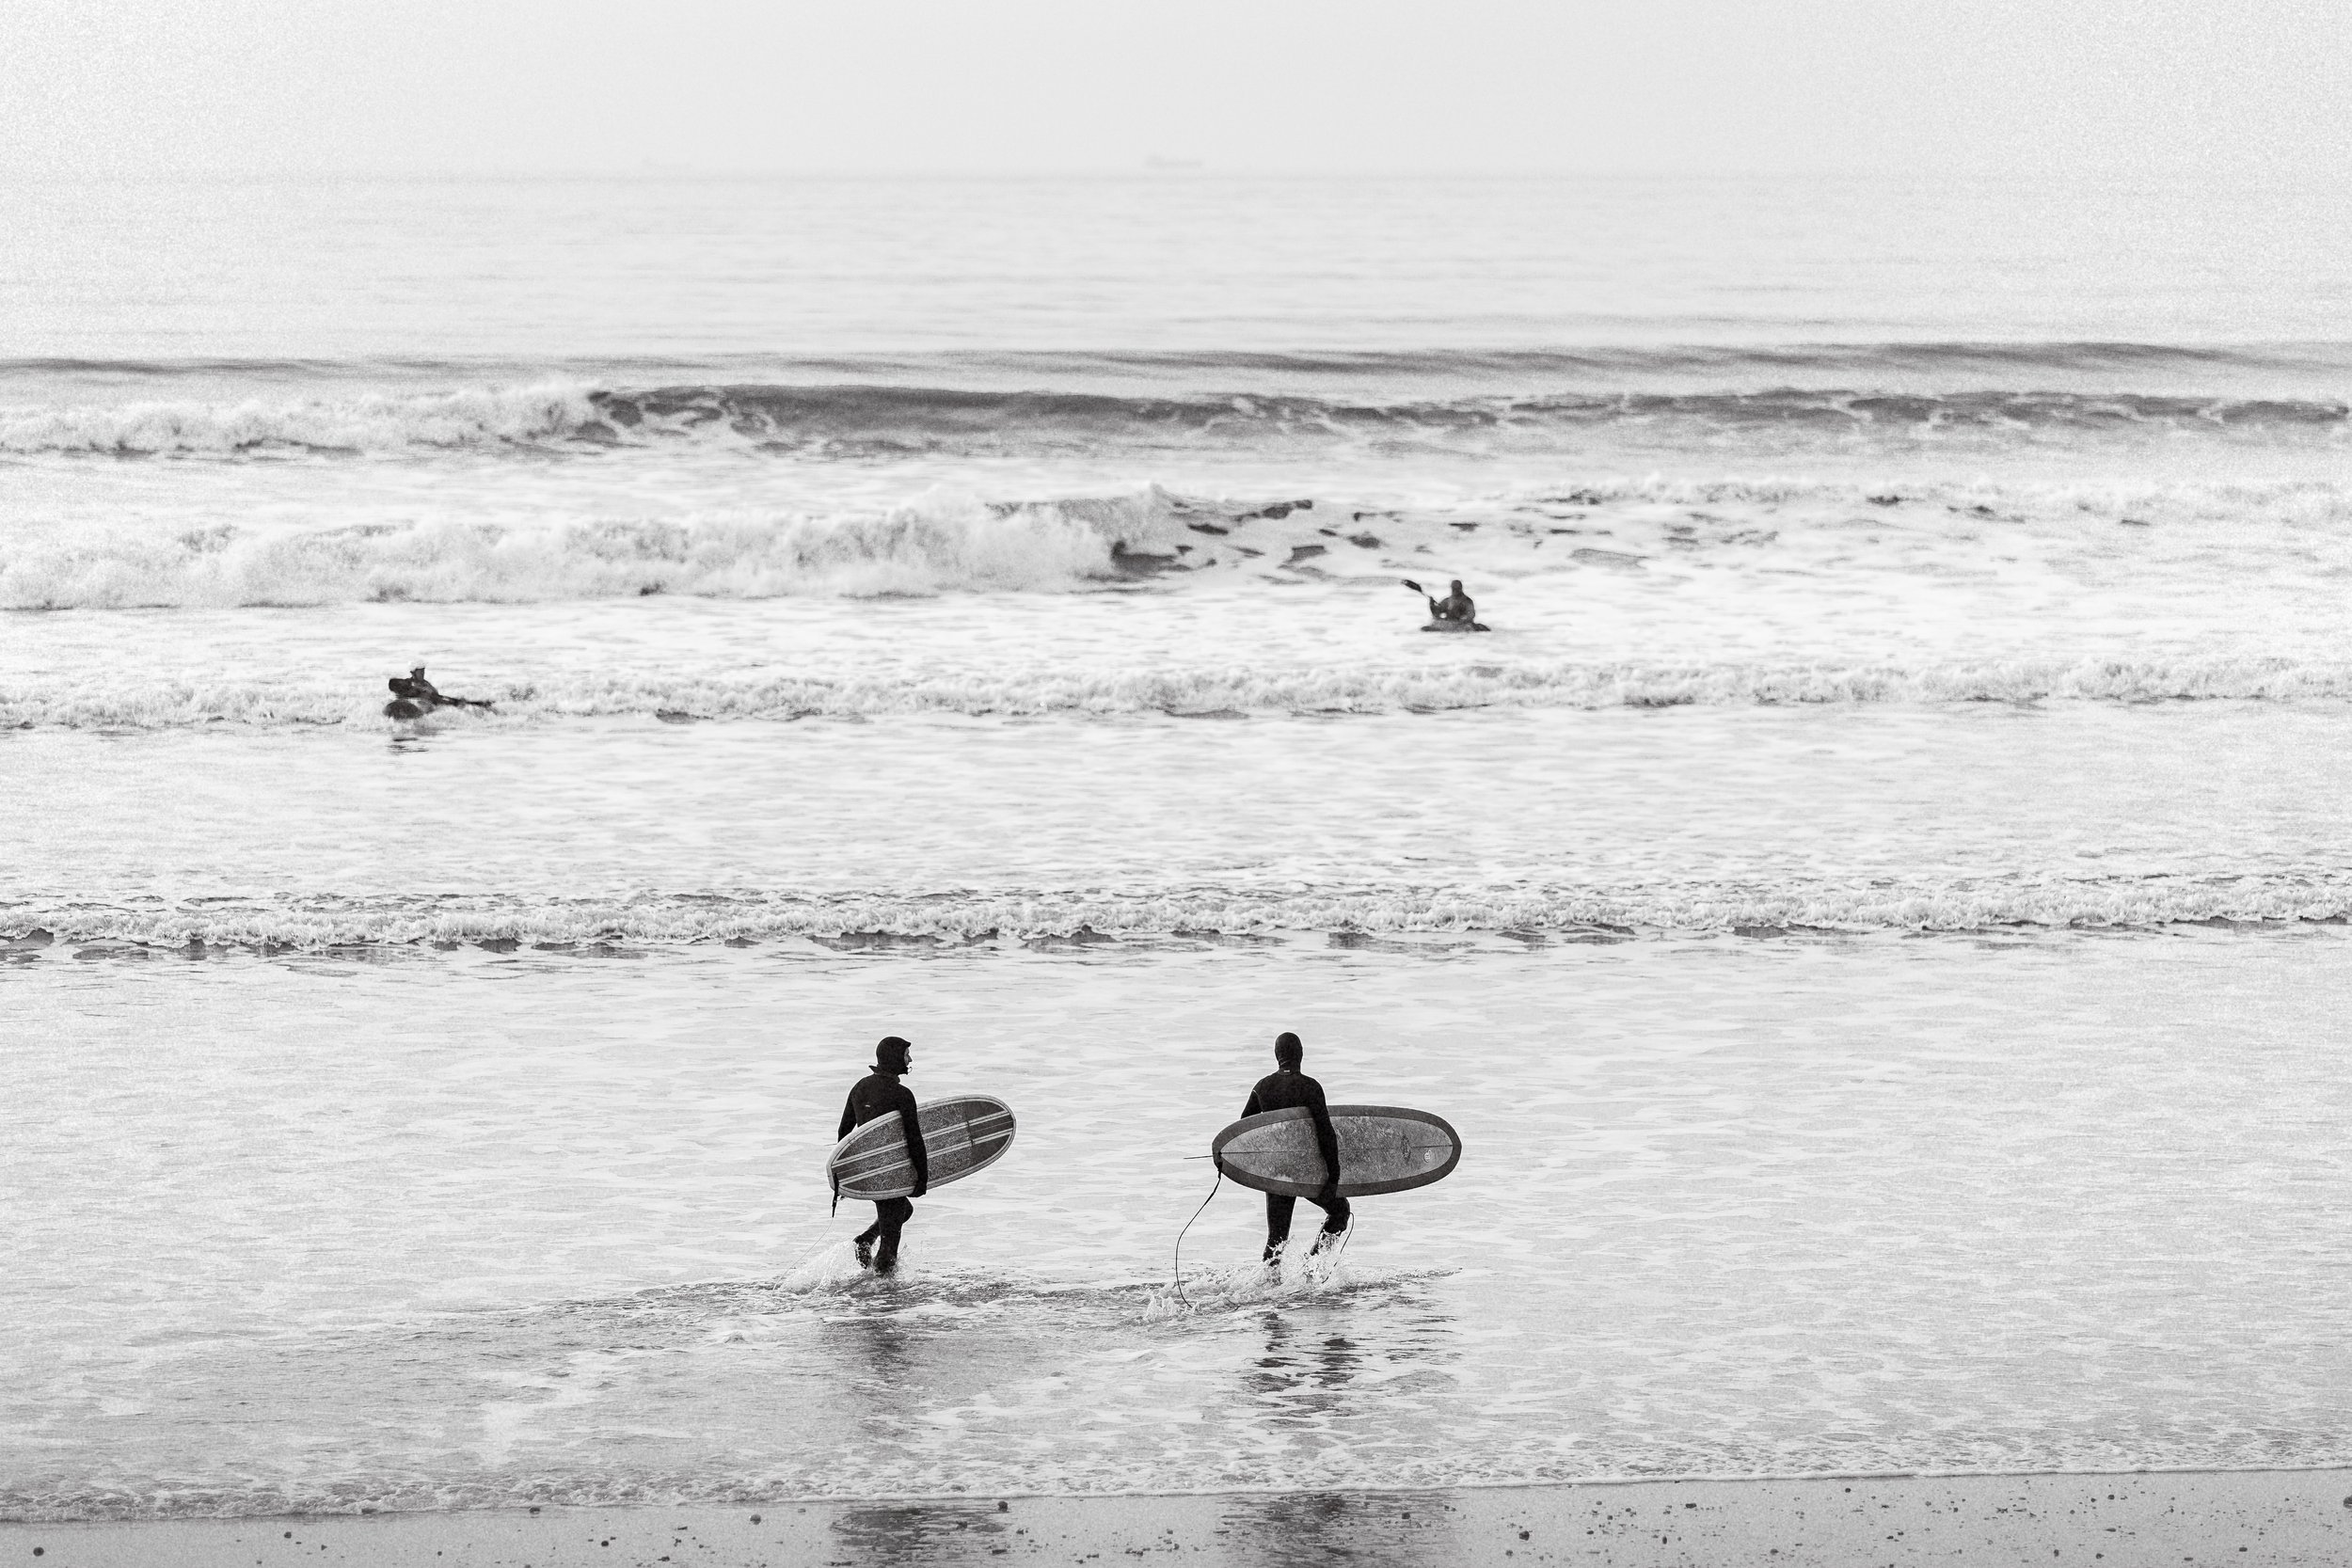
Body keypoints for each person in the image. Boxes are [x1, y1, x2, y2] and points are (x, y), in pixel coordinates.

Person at [1234, 1031, 1350, 1263]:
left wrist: (1260, 1170)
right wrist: (1333, 1177)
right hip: (1309, 1171)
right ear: (1301, 1054)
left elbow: (1244, 1130)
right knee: (1339, 1211)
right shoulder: (1311, 1087)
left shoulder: (1263, 1087)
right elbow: (1326, 1134)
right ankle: (1312, 1265)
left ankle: (1268, 1287)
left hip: (1279, 1173)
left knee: (1277, 1239)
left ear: (1277, 1056)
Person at [837, 1036, 929, 1272]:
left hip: (869, 1168)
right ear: (895, 1058)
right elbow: (914, 1139)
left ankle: (866, 1240)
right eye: (906, 1054)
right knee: (891, 1242)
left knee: (903, 1211)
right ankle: (883, 1297)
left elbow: (844, 1131)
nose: (910, 1059)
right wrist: (922, 1177)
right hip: (890, 1171)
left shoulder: (860, 1087)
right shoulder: (902, 1094)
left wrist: (845, 1175)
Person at [383, 665, 493, 721]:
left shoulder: (423, 691)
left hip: (424, 704)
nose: (422, 673)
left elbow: (441, 699)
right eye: (419, 671)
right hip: (405, 703)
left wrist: (475, 703)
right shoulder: (407, 685)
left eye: (422, 670)